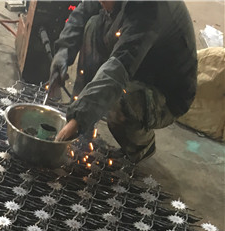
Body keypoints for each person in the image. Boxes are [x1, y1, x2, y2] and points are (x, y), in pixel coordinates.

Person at [48, 0, 197, 162]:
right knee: (93, 25)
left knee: (118, 100)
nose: (100, 3)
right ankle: (83, 123)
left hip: (165, 92)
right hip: (139, 64)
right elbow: (83, 11)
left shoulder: (149, 6)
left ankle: (141, 147)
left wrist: (78, 120)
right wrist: (64, 50)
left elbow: (119, 68)